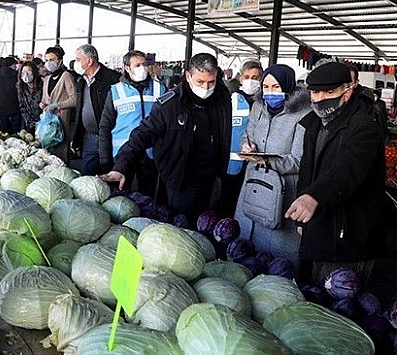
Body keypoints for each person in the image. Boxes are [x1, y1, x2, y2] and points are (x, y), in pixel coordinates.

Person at [285, 62, 386, 285]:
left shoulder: (364, 126)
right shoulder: (313, 124)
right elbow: (307, 171)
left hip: (347, 233)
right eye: (315, 92)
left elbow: (347, 169)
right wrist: (303, 216)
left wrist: (314, 197)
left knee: (339, 297)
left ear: (347, 92)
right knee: (312, 291)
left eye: (329, 92)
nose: (320, 98)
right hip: (319, 224)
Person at [100, 53, 231, 221]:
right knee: (182, 225)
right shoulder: (170, 104)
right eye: (200, 82)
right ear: (188, 76)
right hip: (181, 180)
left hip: (212, 178)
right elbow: (141, 135)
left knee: (208, 226)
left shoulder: (222, 98)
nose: (206, 88)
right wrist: (120, 166)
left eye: (210, 82)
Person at [234, 64, 312, 270]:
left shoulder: (303, 114)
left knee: (276, 259)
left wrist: (266, 161)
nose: (270, 93)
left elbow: (298, 160)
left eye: (276, 87)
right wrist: (246, 145)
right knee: (244, 247)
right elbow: (247, 134)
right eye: (266, 87)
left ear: (288, 86)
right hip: (253, 184)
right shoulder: (258, 107)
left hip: (282, 192)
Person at [98, 50, 166, 198]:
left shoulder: (159, 89)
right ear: (127, 68)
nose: (143, 68)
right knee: (120, 196)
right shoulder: (116, 91)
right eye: (138, 65)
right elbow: (105, 127)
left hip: (151, 153)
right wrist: (105, 160)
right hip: (122, 155)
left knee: (148, 197)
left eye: (144, 64)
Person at [219, 59, 263, 215]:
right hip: (233, 165)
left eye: (256, 77)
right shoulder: (231, 100)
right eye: (247, 77)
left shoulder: (265, 103)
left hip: (257, 165)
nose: (251, 81)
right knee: (228, 204)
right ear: (240, 78)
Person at [70, 44, 121, 176]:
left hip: (109, 135)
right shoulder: (81, 80)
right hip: (89, 135)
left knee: (109, 173)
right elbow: (80, 109)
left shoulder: (113, 79)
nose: (75, 63)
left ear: (89, 61)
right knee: (89, 176)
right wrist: (77, 137)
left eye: (78, 59)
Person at [40, 46, 77, 163]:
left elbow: (74, 99)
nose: (48, 63)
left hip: (61, 122)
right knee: (47, 154)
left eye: (52, 60)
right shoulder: (47, 78)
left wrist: (56, 105)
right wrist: (43, 104)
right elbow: (45, 98)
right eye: (46, 60)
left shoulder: (66, 76)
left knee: (60, 154)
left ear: (60, 61)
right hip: (48, 122)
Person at [0, 56, 22, 133]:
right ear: (11, 65)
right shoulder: (16, 75)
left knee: (3, 129)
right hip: (15, 104)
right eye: (15, 65)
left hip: (1, 105)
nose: (15, 67)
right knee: (16, 128)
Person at [17, 61, 43, 132]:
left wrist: (38, 122)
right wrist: (29, 121)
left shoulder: (42, 86)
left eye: (29, 72)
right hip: (27, 123)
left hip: (42, 123)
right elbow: (22, 106)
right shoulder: (21, 87)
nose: (26, 74)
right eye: (23, 72)